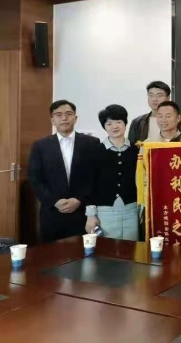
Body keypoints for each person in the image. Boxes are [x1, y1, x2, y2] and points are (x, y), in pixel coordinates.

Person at [28, 100, 99, 242]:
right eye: (59, 115)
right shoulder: (40, 146)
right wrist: (54, 201)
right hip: (52, 213)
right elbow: (35, 178)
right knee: (51, 254)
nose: (64, 118)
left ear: (75, 118)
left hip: (82, 213)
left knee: (82, 253)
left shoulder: (91, 143)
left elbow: (95, 177)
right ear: (52, 120)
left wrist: (79, 199)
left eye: (68, 114)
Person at [85, 105, 139, 241]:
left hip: (132, 210)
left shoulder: (137, 151)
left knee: (132, 249)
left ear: (125, 123)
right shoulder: (95, 151)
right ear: (104, 127)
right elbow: (90, 184)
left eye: (118, 122)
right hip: (104, 212)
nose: (114, 126)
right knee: (107, 249)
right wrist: (91, 215)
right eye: (109, 123)